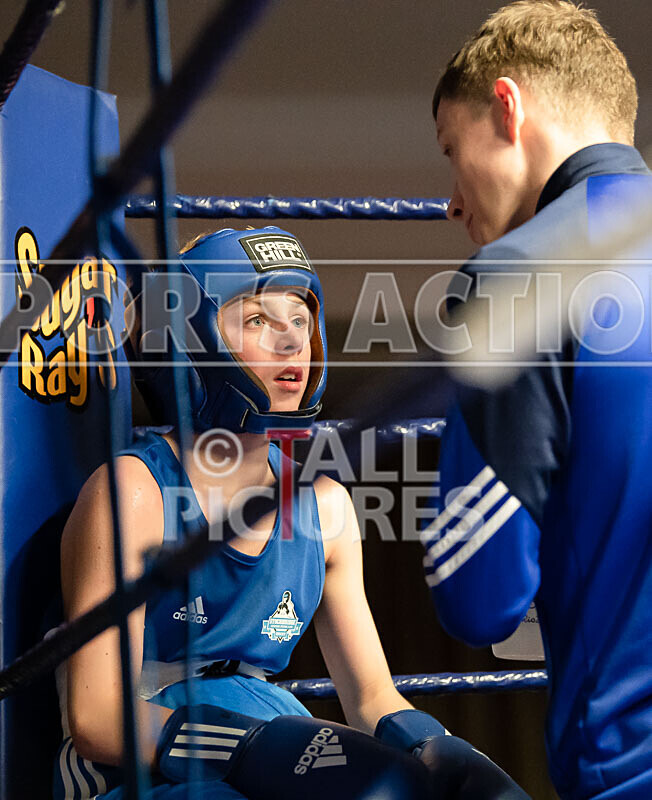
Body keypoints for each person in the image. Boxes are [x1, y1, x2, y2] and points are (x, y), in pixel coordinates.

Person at [54, 226, 527, 800]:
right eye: (257, 319)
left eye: (300, 319)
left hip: (269, 733)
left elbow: (372, 697)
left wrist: (438, 749)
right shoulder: (135, 491)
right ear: (191, 342)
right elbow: (97, 715)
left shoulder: (324, 507)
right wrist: (247, 749)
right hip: (140, 765)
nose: (290, 342)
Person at [422, 2, 652, 798]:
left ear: (507, 108)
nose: (452, 201)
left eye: (451, 150)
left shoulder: (516, 276)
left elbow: (478, 597)